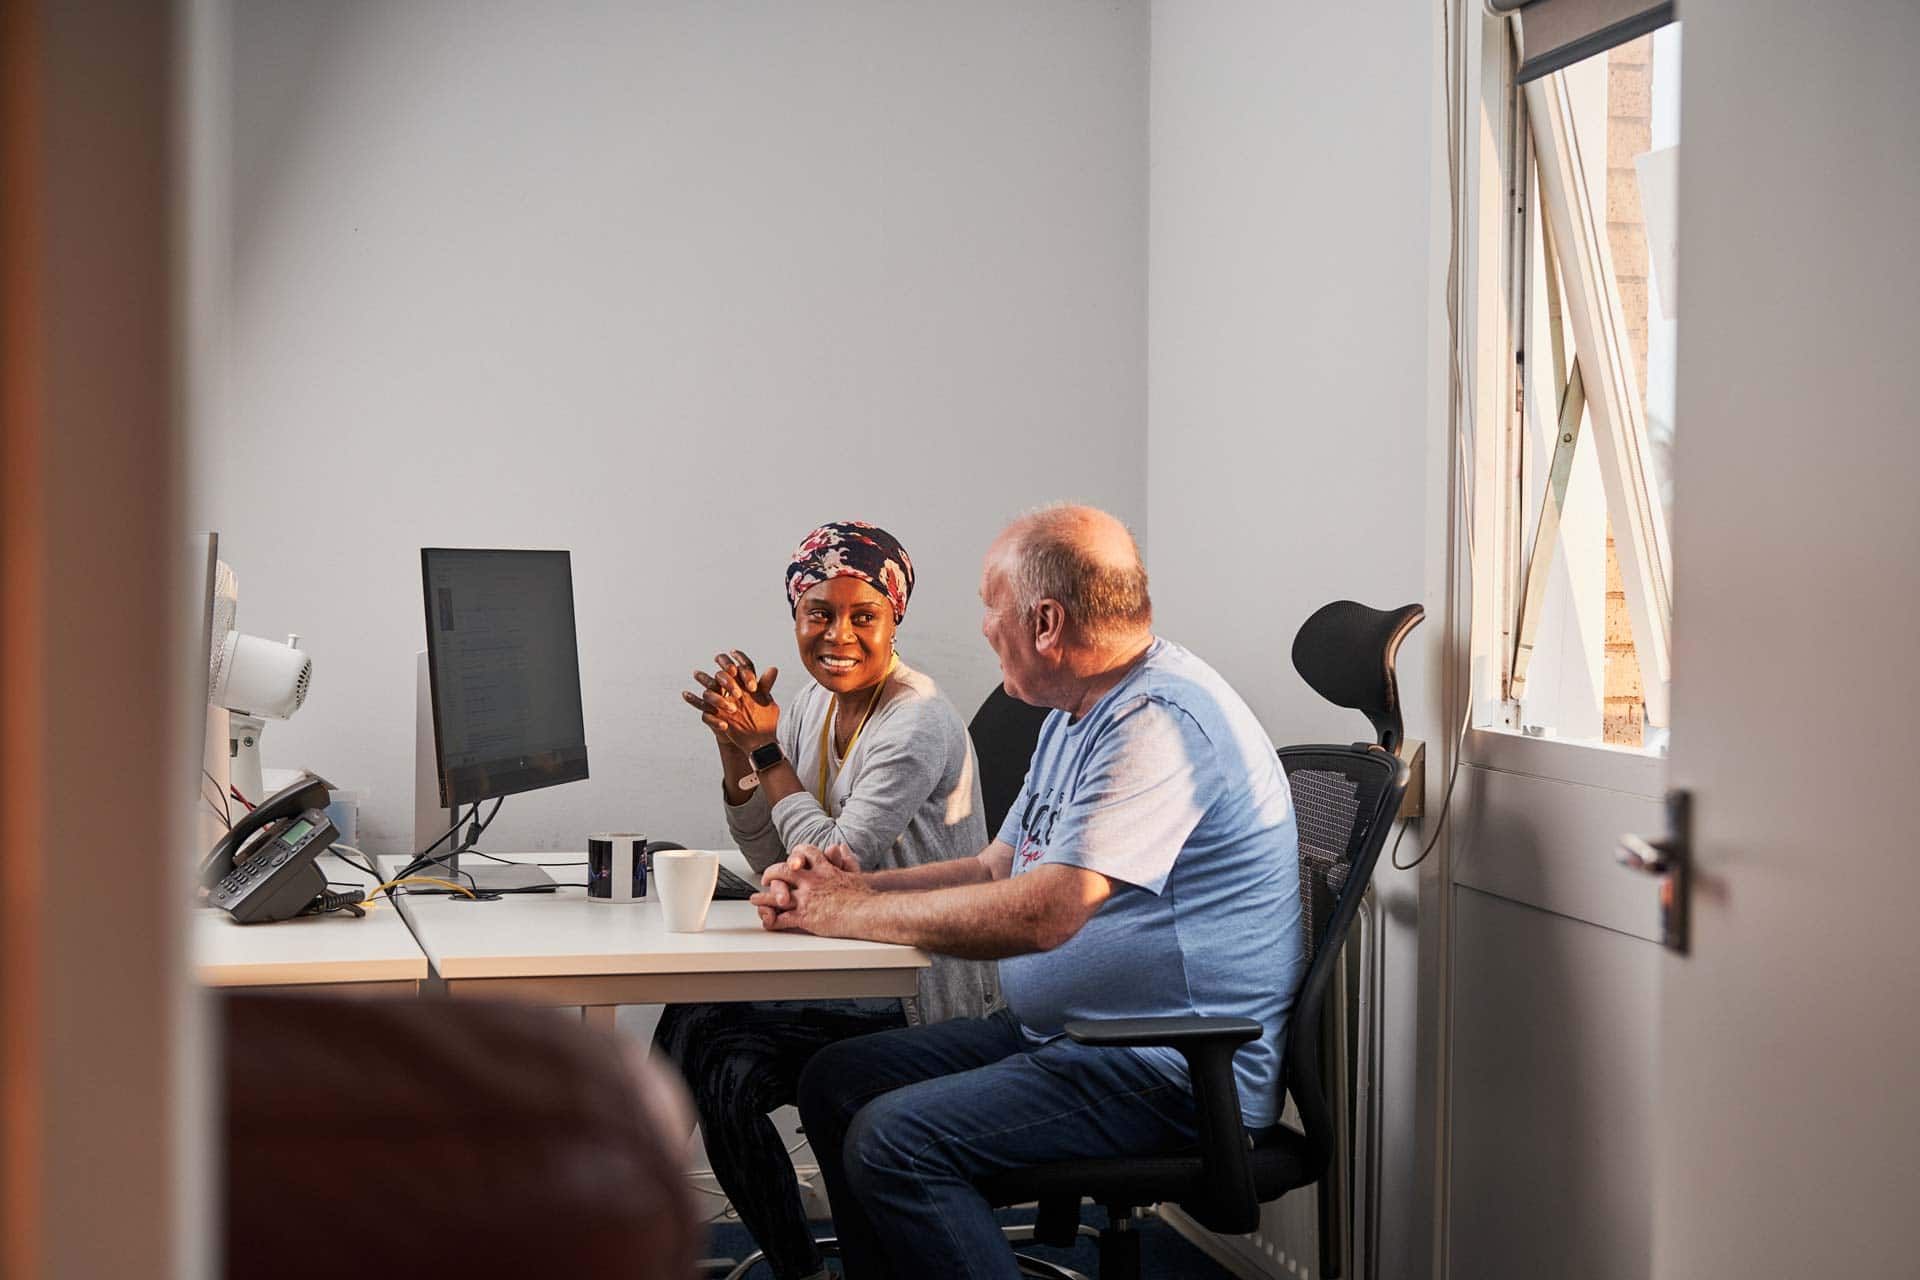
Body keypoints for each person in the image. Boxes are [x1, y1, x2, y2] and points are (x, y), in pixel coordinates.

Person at [754, 504, 1303, 1279]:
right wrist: (847, 884)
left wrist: (845, 912)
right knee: (837, 1082)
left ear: (1046, 621)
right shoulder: (1077, 709)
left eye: (991, 605)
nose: (983, 626)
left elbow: (1048, 912)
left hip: (1161, 1070)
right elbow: (992, 868)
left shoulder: (1158, 722)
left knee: (895, 1141)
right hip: (1068, 1037)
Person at [656, 519, 997, 1280]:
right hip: (852, 960)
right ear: (795, 615)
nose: (838, 634)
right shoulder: (812, 703)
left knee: (710, 1038)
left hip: (924, 986)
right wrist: (735, 754)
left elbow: (830, 864)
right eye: (819, 614)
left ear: (894, 619)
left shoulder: (916, 722)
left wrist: (765, 752)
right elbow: (772, 851)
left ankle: (619, 1214)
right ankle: (784, 1262)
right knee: (706, 1038)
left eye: (862, 616)